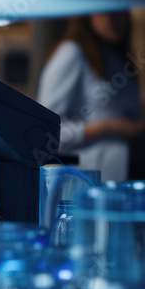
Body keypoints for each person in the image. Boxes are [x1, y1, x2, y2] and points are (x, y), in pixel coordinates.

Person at [37, 11, 145, 182]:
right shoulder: (71, 53)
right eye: (104, 13)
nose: (113, 19)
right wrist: (108, 128)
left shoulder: (116, 58)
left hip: (123, 175)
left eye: (119, 12)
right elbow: (45, 133)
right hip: (85, 180)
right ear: (87, 16)